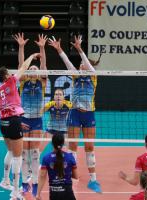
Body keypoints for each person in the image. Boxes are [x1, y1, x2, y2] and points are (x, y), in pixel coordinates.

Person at [48, 35, 102, 193]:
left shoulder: (93, 77)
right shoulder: (75, 76)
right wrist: (59, 50)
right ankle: (72, 175)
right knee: (72, 147)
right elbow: (67, 63)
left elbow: (88, 65)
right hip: (75, 114)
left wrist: (80, 50)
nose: (80, 66)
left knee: (89, 147)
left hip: (89, 114)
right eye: (79, 64)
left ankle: (93, 179)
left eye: (82, 64)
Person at [0, 53, 41, 199]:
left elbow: (4, 109)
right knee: (17, 156)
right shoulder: (11, 82)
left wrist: (16, 120)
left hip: (3, 122)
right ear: (6, 76)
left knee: (10, 151)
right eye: (9, 72)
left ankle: (5, 179)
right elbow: (24, 67)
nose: (11, 73)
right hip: (13, 121)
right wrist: (32, 55)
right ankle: (15, 191)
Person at [13, 32, 48, 197]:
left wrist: (42, 50)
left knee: (35, 153)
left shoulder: (43, 82)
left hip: (37, 121)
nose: (33, 69)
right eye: (31, 68)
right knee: (24, 152)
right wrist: (21, 47)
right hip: (23, 119)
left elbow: (44, 68)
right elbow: (21, 65)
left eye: (36, 68)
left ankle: (34, 182)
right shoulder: (23, 81)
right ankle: (24, 182)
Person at [36, 133, 78, 200]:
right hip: (68, 192)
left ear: (52, 143)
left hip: (54, 193)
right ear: (63, 143)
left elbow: (42, 176)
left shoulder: (46, 158)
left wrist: (38, 194)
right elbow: (76, 176)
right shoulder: (70, 157)